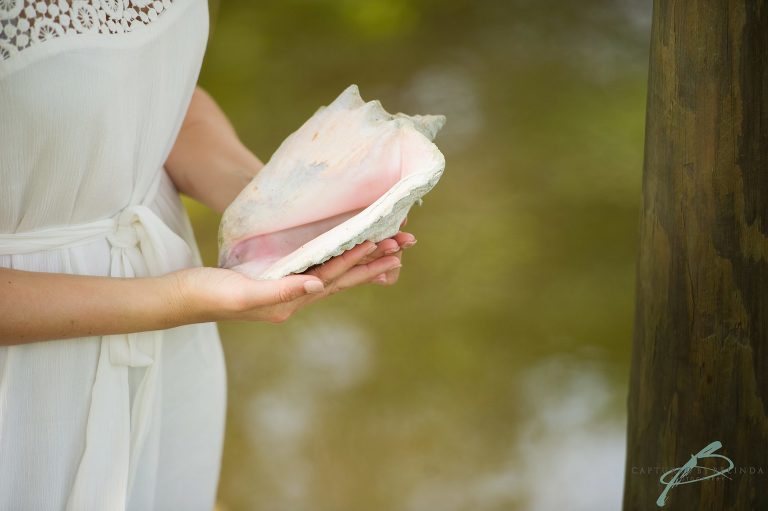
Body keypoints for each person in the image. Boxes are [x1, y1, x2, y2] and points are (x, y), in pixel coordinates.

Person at [0, 0, 414, 509]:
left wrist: (270, 206)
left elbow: (164, 96)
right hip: (26, 380)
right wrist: (175, 298)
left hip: (174, 340)